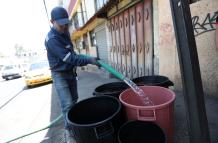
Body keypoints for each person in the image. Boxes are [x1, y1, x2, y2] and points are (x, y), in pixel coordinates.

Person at [44, 7, 99, 143]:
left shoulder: (65, 32)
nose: (64, 26)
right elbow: (71, 58)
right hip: (59, 74)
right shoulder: (51, 39)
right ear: (52, 21)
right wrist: (89, 60)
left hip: (70, 72)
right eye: (61, 23)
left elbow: (73, 54)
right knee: (67, 104)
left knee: (74, 99)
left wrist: (85, 59)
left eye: (66, 22)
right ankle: (70, 133)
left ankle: (75, 123)